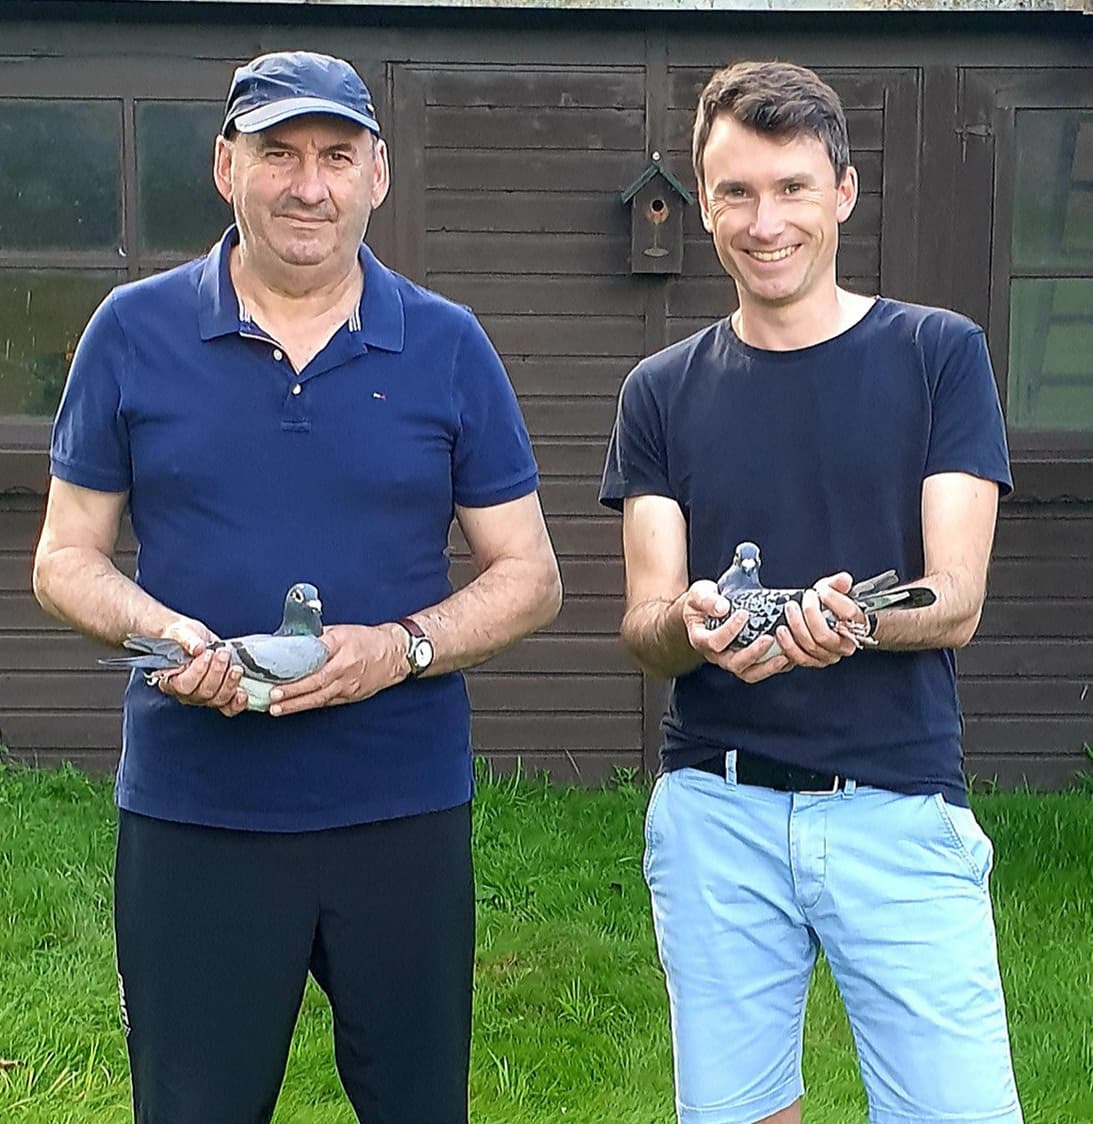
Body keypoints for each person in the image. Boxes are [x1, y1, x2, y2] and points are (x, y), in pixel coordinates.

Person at [33, 49, 561, 1124]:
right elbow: (63, 557)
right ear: (226, 166)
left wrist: (400, 648)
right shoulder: (130, 331)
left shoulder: (447, 344)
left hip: (399, 809)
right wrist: (164, 632)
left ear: (378, 174)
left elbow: (529, 574)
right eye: (277, 153)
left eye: (335, 155)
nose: (307, 185)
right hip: (197, 811)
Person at [600, 60, 1022, 1124]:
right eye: (735, 192)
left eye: (790, 187)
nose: (764, 221)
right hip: (715, 812)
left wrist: (857, 620)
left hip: (896, 806)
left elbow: (956, 594)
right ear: (704, 205)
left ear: (842, 191)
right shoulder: (657, 391)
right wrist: (691, 624)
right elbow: (646, 620)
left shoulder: (936, 355)